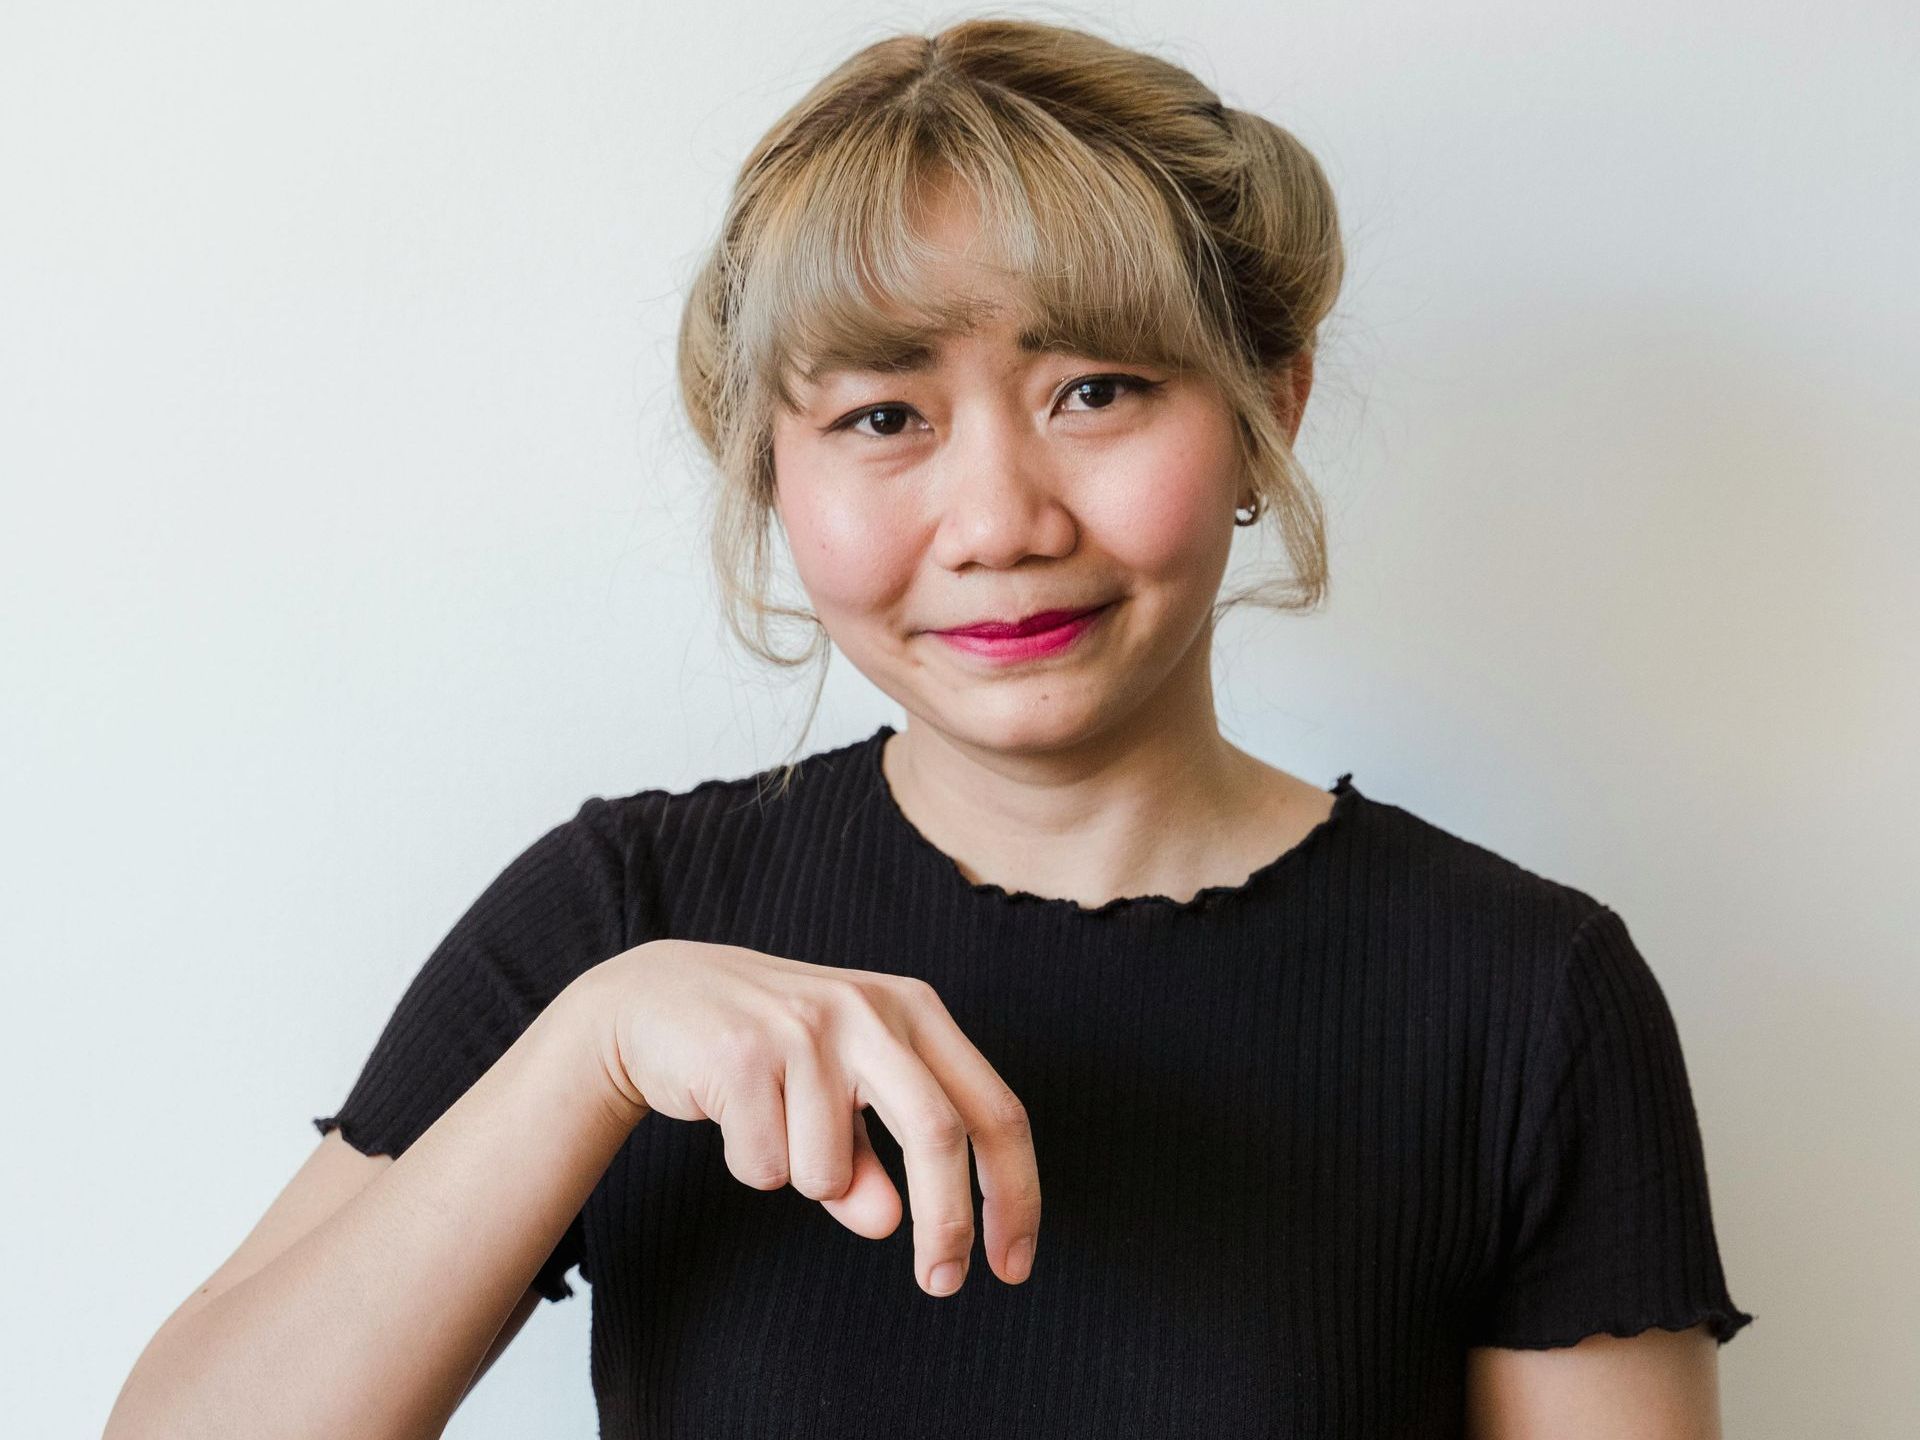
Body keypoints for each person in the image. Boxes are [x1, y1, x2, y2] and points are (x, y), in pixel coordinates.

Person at [105, 17, 1753, 1439]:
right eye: (884, 416)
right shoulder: (624, 918)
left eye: (1095, 389)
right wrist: (594, 1052)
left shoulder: (1527, 998)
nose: (997, 520)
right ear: (774, 470)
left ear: (1272, 406)